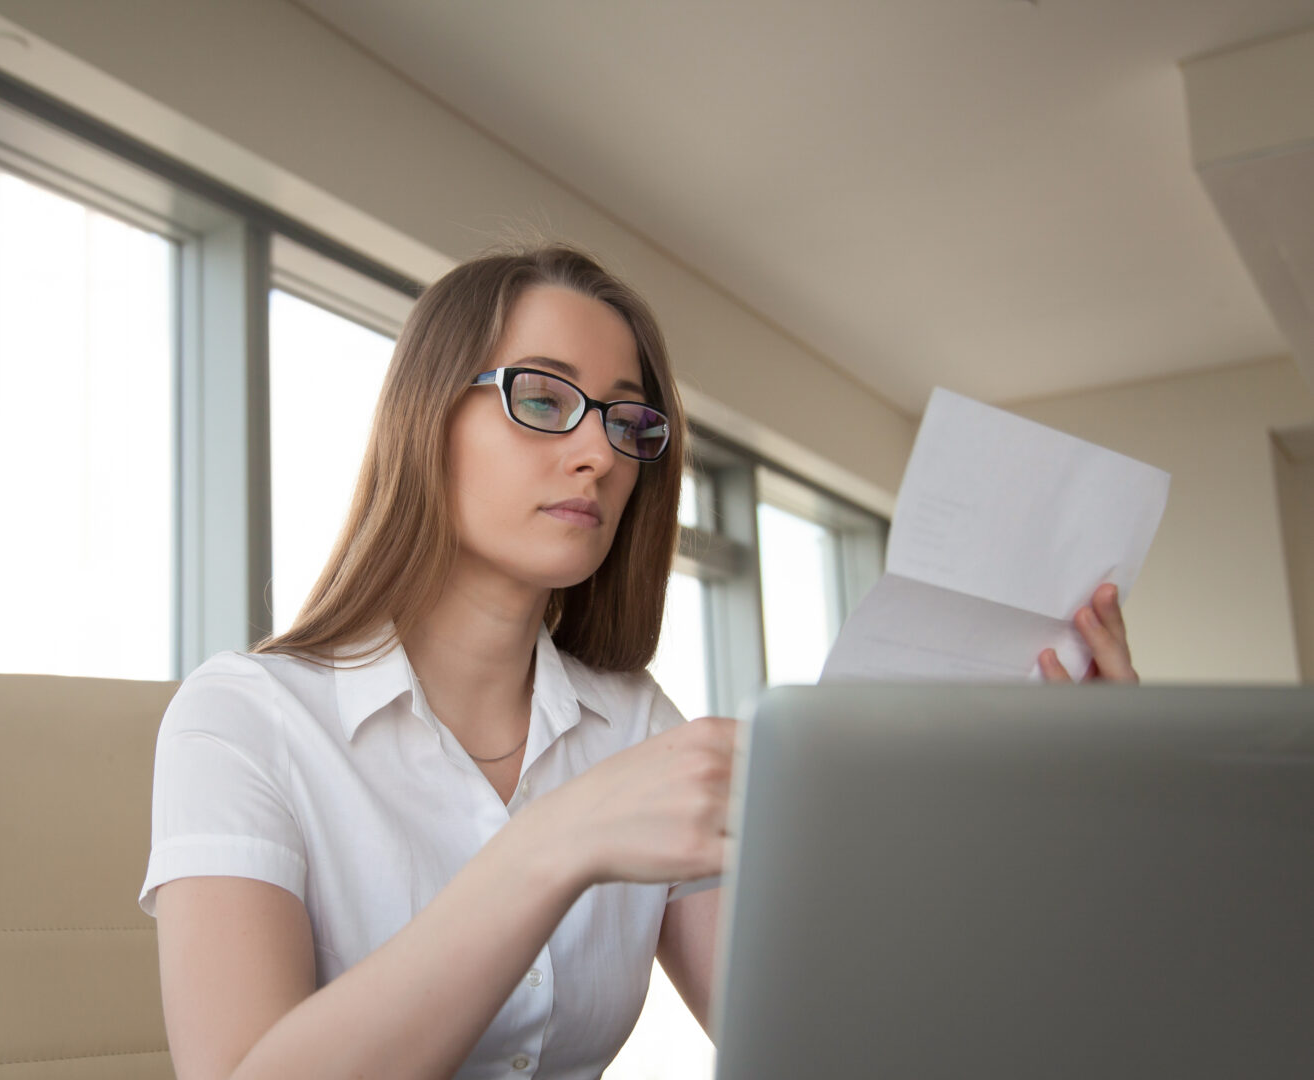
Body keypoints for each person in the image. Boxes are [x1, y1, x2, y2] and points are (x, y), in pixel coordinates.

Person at [138, 244, 1138, 1080]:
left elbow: (836, 1047)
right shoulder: (245, 719)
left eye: (627, 419)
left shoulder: (634, 726)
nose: (601, 454)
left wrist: (1062, 805)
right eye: (543, 398)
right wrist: (554, 844)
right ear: (424, 420)